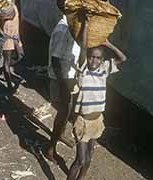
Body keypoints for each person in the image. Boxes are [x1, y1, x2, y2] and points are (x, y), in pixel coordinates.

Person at [67, 14, 127, 180]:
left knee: (89, 158)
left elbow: (123, 58)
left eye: (98, 58)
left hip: (97, 120)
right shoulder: (83, 70)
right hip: (83, 122)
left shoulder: (104, 70)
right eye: (92, 57)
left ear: (102, 60)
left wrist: (108, 43)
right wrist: (86, 25)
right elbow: (83, 47)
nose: (94, 60)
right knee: (80, 160)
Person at [46, 15, 80, 162]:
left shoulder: (73, 26)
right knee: (63, 111)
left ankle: (61, 134)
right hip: (61, 78)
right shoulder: (63, 28)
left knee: (67, 110)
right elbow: (55, 60)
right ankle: (50, 149)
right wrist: (63, 85)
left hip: (69, 76)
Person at [0, 2, 24, 91]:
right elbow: (0, 31)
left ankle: (0, 72)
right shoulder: (0, 16)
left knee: (20, 56)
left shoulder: (13, 8)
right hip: (7, 40)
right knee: (7, 64)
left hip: (15, 37)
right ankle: (10, 85)